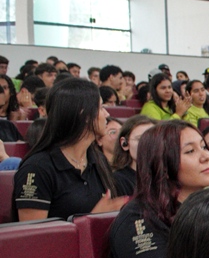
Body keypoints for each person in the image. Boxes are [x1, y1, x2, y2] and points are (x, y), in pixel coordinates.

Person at [110, 120, 209, 258]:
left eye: (203, 146)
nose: (206, 156)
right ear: (162, 163)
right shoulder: (137, 218)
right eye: (190, 151)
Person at [13, 78, 127, 221]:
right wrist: (92, 219)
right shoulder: (37, 168)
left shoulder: (97, 159)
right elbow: (32, 237)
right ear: (84, 114)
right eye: (101, 107)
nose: (107, 114)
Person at [112, 115, 157, 196]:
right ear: (124, 144)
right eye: (140, 139)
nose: (147, 144)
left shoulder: (166, 177)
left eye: (153, 139)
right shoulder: (117, 181)